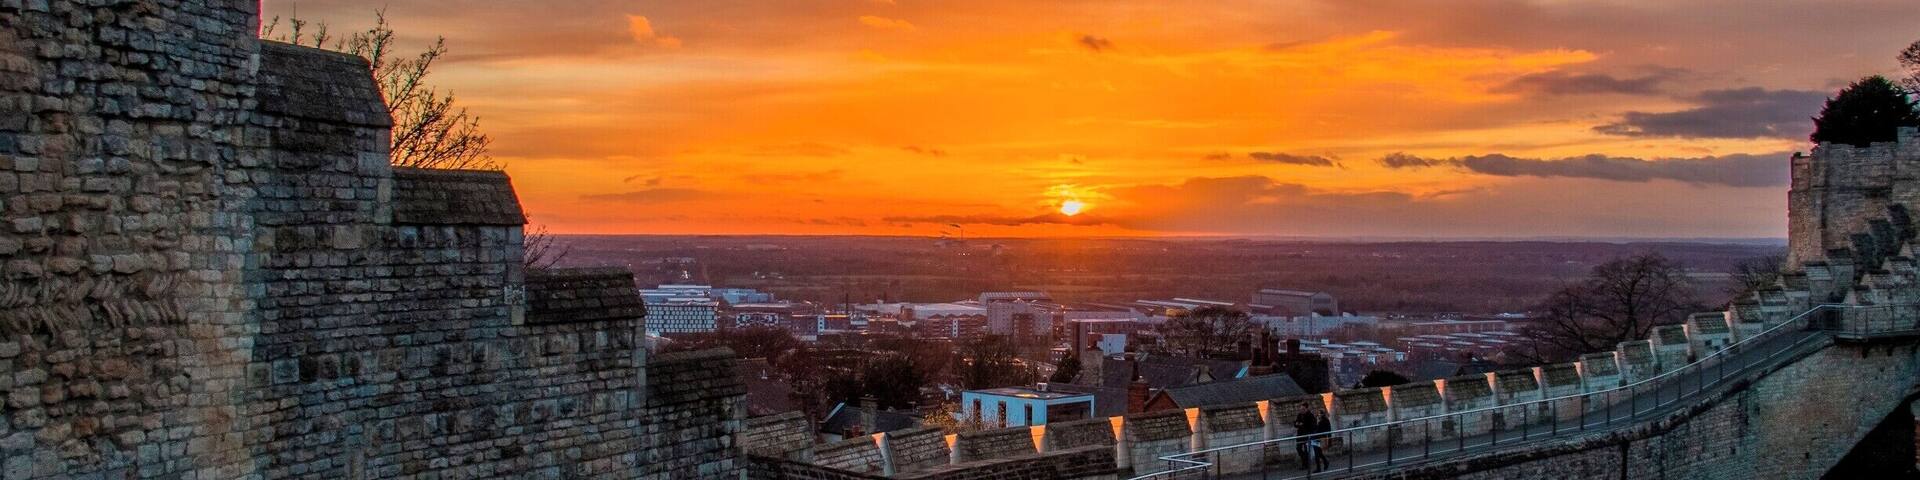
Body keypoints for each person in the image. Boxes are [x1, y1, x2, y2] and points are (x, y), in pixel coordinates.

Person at [1291, 403, 1316, 470]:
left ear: (1307, 409)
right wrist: (1299, 424)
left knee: (1306, 450)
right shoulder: (1300, 415)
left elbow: (1311, 426)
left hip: (1307, 436)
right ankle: (1305, 463)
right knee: (1298, 448)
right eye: (1301, 409)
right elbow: (1296, 424)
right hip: (1300, 435)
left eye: (1303, 409)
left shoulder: (1310, 416)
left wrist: (1301, 424)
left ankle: (1306, 465)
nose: (1302, 410)